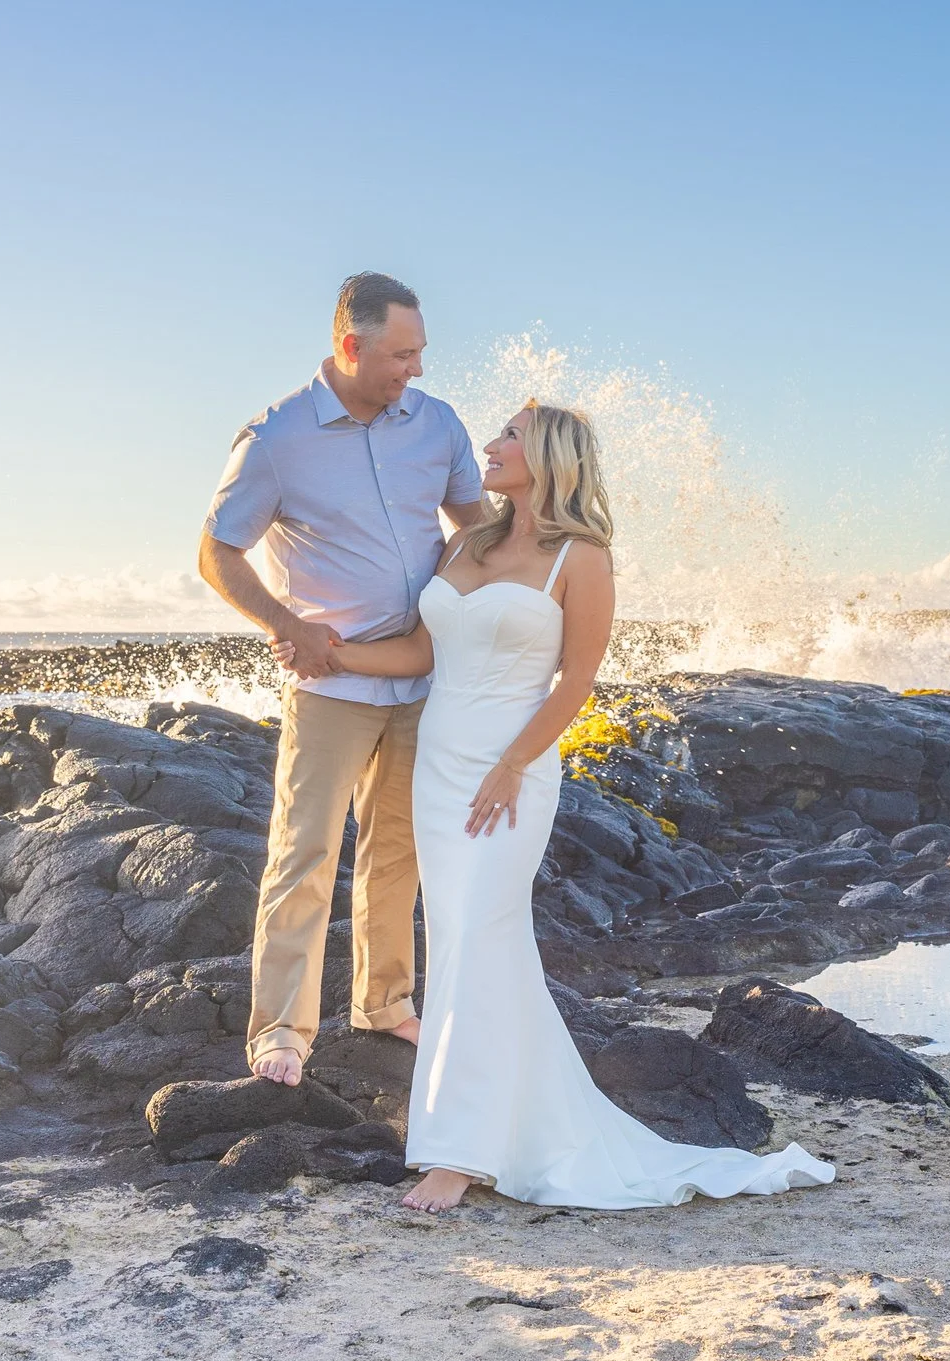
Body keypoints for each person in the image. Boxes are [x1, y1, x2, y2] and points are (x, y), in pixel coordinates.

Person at [291, 401, 834, 1212]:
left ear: (548, 455)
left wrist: (513, 764)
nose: (490, 445)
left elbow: (576, 679)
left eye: (507, 435)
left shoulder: (583, 557)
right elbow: (422, 652)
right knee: (474, 944)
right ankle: (506, 1129)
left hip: (511, 769)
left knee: (477, 933)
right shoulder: (466, 543)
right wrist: (333, 652)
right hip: (441, 766)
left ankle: (459, 1152)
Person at [196, 272, 485, 1088]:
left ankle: (385, 1002)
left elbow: (480, 530)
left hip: (424, 675)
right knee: (306, 849)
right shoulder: (278, 436)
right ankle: (281, 1029)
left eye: (421, 350)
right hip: (329, 683)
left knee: (401, 846)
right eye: (402, 353)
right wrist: (287, 626)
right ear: (350, 347)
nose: (416, 369)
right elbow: (216, 550)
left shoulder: (437, 426)